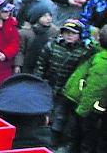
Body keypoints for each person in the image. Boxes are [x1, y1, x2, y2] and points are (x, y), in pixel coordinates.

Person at [35, 19, 93, 150]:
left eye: (73, 33)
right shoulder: (52, 45)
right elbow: (41, 65)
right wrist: (39, 82)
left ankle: (55, 140)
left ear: (80, 35)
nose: (69, 35)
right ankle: (43, 138)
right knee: (45, 113)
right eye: (66, 32)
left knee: (61, 115)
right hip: (49, 86)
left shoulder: (84, 51)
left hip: (68, 90)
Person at [63, 28, 107, 153]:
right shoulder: (99, 57)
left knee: (85, 139)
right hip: (90, 107)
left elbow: (95, 89)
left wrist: (82, 110)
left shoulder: (101, 60)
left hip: (89, 108)